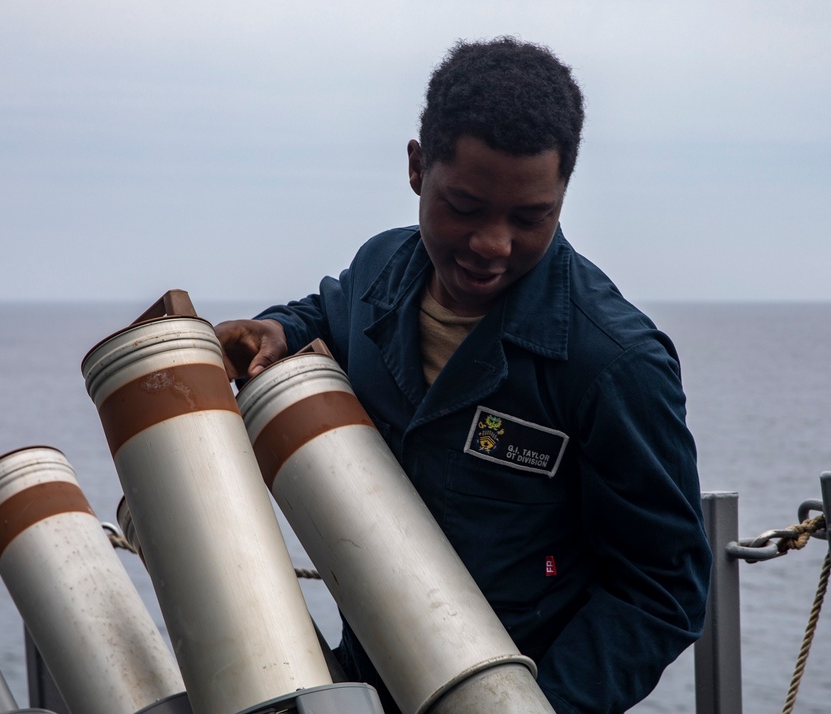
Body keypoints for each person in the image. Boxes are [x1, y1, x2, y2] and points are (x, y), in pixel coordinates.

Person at [215, 37, 712, 714]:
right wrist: (278, 329)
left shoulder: (615, 366)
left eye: (530, 218)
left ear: (564, 192)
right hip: (362, 688)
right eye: (466, 207)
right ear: (418, 168)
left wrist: (539, 706)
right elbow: (325, 311)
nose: (492, 245)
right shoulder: (378, 270)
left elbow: (662, 590)